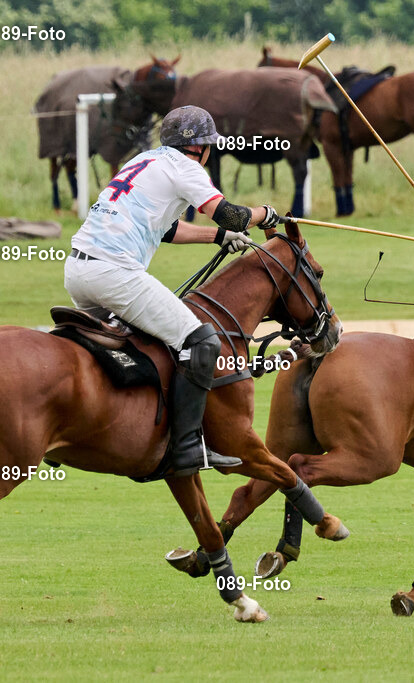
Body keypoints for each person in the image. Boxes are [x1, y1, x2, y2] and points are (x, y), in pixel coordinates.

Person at [64, 105, 282, 476]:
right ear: (202, 148)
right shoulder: (187, 168)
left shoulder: (144, 161)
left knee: (140, 347)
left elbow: (165, 229)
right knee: (202, 341)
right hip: (115, 273)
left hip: (78, 271)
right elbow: (232, 215)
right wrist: (266, 213)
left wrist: (218, 237)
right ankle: (187, 446)